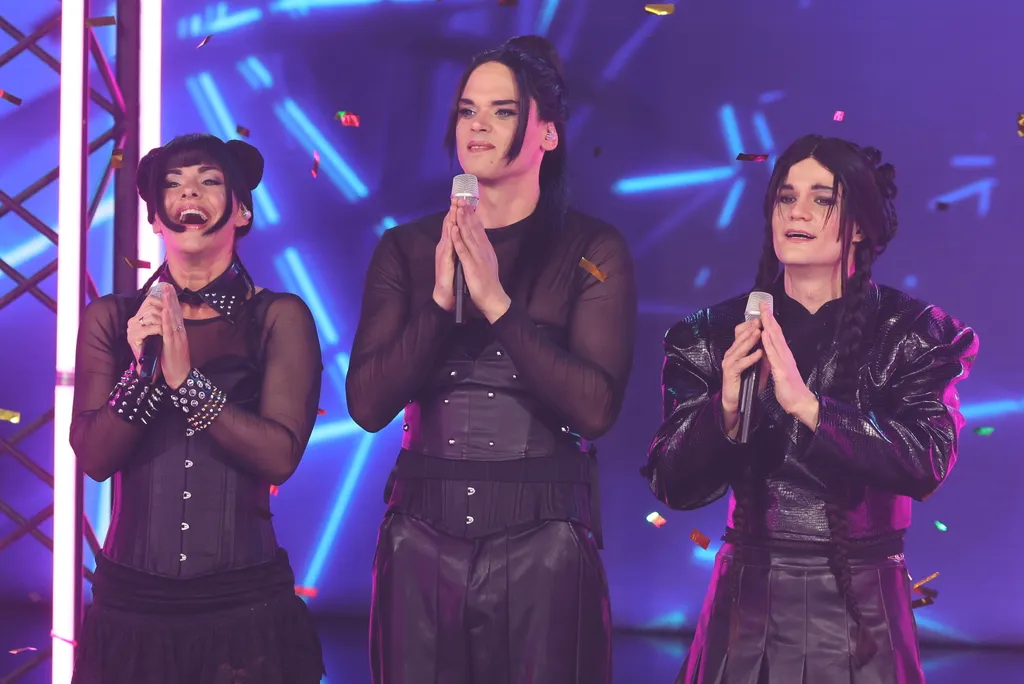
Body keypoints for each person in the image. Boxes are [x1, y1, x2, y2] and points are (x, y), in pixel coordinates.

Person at [346, 35, 636, 684]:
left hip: (544, 537)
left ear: (548, 134)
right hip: (420, 534)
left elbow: (595, 410)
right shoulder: (407, 247)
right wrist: (439, 303)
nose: (477, 125)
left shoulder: (592, 249)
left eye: (503, 111)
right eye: (467, 110)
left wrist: (498, 304)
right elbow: (366, 405)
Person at [642, 135, 979, 684]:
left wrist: (809, 407)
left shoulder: (916, 334)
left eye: (823, 199)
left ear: (861, 225)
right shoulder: (710, 334)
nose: (797, 212)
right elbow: (672, 484)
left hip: (863, 604)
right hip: (746, 606)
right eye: (786, 196)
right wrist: (724, 408)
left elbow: (926, 462)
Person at [70, 133, 325, 684]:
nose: (190, 191)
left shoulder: (278, 317)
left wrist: (186, 383)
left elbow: (280, 456)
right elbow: (94, 458)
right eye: (174, 183)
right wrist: (143, 374)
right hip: (130, 608)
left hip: (244, 607)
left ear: (241, 211)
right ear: (155, 218)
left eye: (210, 180)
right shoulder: (112, 319)